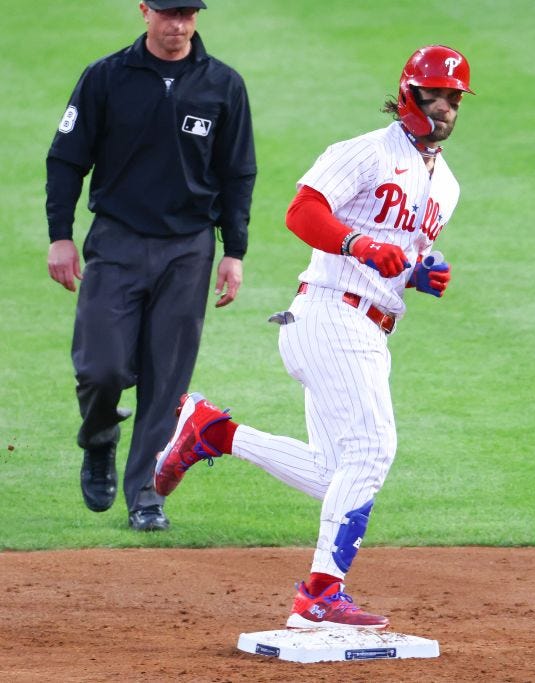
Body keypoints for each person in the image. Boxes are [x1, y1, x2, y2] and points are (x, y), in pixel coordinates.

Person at [152, 45, 474, 629]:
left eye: (454, 97)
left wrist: (418, 270)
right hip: (330, 315)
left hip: (367, 328)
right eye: (436, 94)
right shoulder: (366, 152)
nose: (447, 107)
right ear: (409, 93)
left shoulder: (446, 186)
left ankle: (214, 432)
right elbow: (301, 211)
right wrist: (357, 245)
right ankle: (320, 592)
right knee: (374, 449)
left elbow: (398, 252)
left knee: (335, 474)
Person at [45, 0, 256, 532]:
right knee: (101, 369)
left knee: (167, 381)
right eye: (167, 13)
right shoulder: (105, 78)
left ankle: (146, 495)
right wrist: (60, 237)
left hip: (188, 249)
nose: (177, 25)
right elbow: (66, 159)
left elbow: (238, 173)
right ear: (144, 11)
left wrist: (234, 250)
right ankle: (98, 438)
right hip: (116, 242)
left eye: (187, 13)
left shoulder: (223, 85)